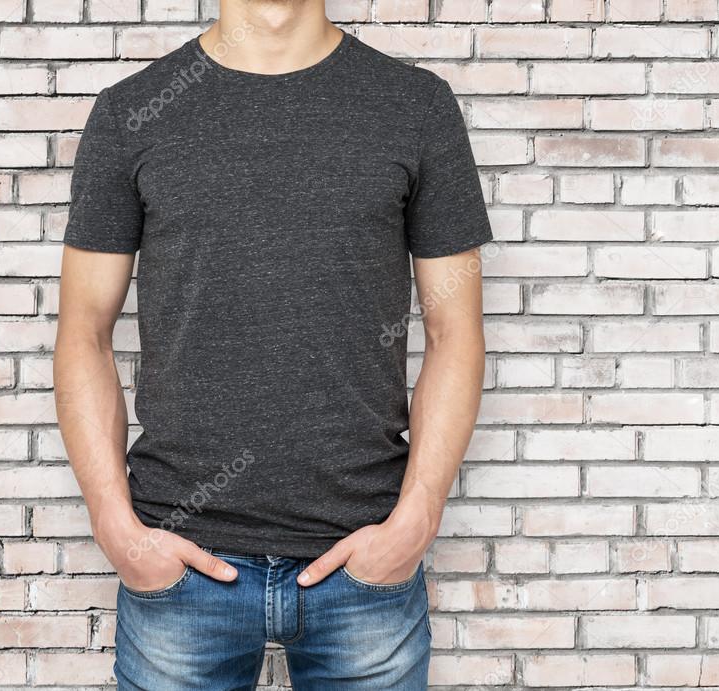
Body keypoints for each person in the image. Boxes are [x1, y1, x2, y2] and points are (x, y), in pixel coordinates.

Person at [53, 1, 491, 688]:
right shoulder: (131, 113)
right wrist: (118, 528)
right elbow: (82, 333)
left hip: (363, 569)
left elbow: (455, 329)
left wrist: (416, 518)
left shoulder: (415, 106)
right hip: (181, 569)